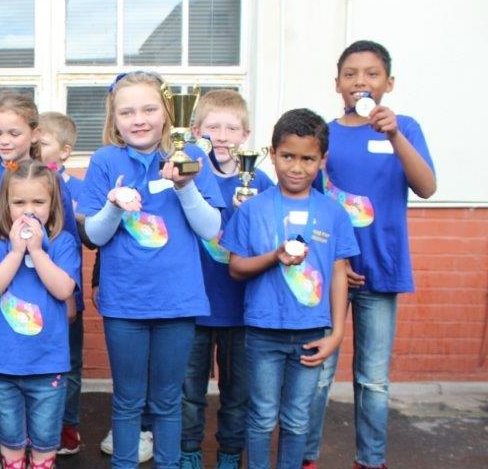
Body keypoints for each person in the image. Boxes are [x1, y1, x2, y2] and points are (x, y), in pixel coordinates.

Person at [77, 71, 224, 469]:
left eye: (148, 109)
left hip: (177, 302)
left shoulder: (191, 155)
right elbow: (94, 235)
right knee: (127, 400)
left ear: (166, 113)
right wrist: (113, 205)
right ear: (114, 118)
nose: (138, 119)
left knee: (167, 400)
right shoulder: (105, 161)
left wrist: (185, 186)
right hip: (126, 303)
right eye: (127, 112)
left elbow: (211, 228)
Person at [304, 40, 436, 469]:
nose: (360, 80)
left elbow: (426, 187)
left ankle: (371, 460)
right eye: (350, 74)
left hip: (381, 271)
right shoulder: (324, 134)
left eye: (372, 73)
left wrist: (393, 135)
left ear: (389, 83)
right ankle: (305, 457)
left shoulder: (405, 128)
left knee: (373, 379)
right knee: (317, 374)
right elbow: (311, 201)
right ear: (337, 83)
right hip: (331, 274)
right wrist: (335, 262)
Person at [221, 108, 359, 469]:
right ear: (272, 153)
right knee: (262, 416)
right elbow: (236, 268)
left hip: (311, 335)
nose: (296, 167)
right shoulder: (252, 209)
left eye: (307, 159)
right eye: (287, 156)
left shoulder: (333, 213)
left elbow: (339, 274)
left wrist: (336, 334)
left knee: (298, 419)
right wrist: (274, 257)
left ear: (322, 160)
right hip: (263, 333)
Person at [179, 89, 275, 469]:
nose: (221, 137)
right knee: (189, 392)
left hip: (242, 308)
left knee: (237, 394)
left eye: (231, 129)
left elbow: (272, 242)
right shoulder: (187, 174)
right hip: (195, 305)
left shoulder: (260, 181)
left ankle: (230, 455)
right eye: (213, 127)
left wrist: (252, 216)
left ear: (246, 135)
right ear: (195, 131)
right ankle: (188, 452)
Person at [0, 159, 81, 469]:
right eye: (19, 203)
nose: (28, 211)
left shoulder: (62, 243)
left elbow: (63, 289)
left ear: (52, 203)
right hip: (3, 365)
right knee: (10, 442)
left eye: (38, 202)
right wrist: (16, 251)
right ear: (5, 205)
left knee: (45, 442)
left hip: (47, 365)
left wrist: (36, 250)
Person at [37, 111, 89, 456]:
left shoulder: (76, 188)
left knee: (69, 362)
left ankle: (67, 426)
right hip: (31, 294)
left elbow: (79, 236)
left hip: (67, 293)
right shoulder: (24, 183)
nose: (35, 149)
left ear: (65, 151)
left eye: (42, 143)